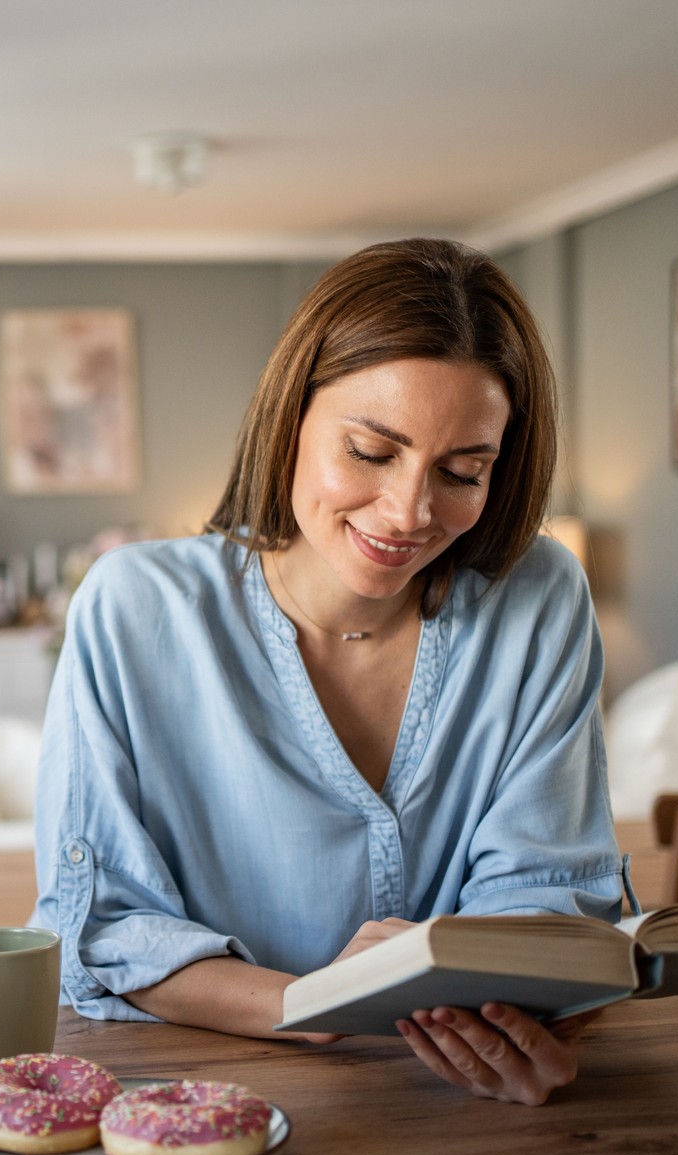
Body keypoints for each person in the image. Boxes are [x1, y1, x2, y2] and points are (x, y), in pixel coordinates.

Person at [32, 238, 634, 1107]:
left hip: (461, 1111)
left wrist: (530, 1015)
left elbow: (546, 899)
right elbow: (102, 927)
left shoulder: (538, 598)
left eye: (463, 471)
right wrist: (314, 1002)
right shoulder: (134, 609)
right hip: (195, 1106)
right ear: (290, 419)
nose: (410, 513)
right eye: (370, 451)